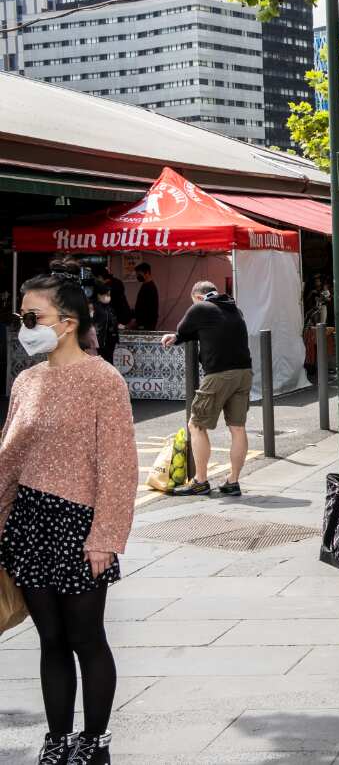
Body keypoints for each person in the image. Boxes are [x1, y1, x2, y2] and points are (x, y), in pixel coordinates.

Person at [1, 262, 138, 765]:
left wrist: (105, 536)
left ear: (68, 322)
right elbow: (8, 457)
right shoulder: (26, 381)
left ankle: (95, 741)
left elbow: (119, 465)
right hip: (30, 521)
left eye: (32, 317)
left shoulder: (104, 381)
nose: (24, 327)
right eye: (22, 316)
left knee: (86, 638)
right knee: (50, 639)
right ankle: (56, 740)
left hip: (80, 524)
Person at [161, 282, 253, 498]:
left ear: (198, 297)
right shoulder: (233, 307)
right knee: (237, 428)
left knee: (196, 425)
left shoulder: (200, 308)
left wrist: (176, 336)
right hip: (244, 372)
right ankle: (232, 481)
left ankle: (200, 481)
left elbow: (184, 329)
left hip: (219, 373)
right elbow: (207, 330)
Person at [91, 282, 120, 367]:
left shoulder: (108, 307)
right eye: (106, 294)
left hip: (110, 340)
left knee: (109, 362)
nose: (108, 297)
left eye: (109, 295)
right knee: (101, 364)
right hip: (100, 341)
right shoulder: (93, 307)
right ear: (99, 295)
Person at [129, 263, 159, 331]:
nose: (137, 276)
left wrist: (139, 323)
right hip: (142, 323)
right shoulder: (145, 285)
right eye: (137, 274)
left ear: (147, 273)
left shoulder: (150, 287)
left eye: (139, 274)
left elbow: (148, 309)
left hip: (146, 324)